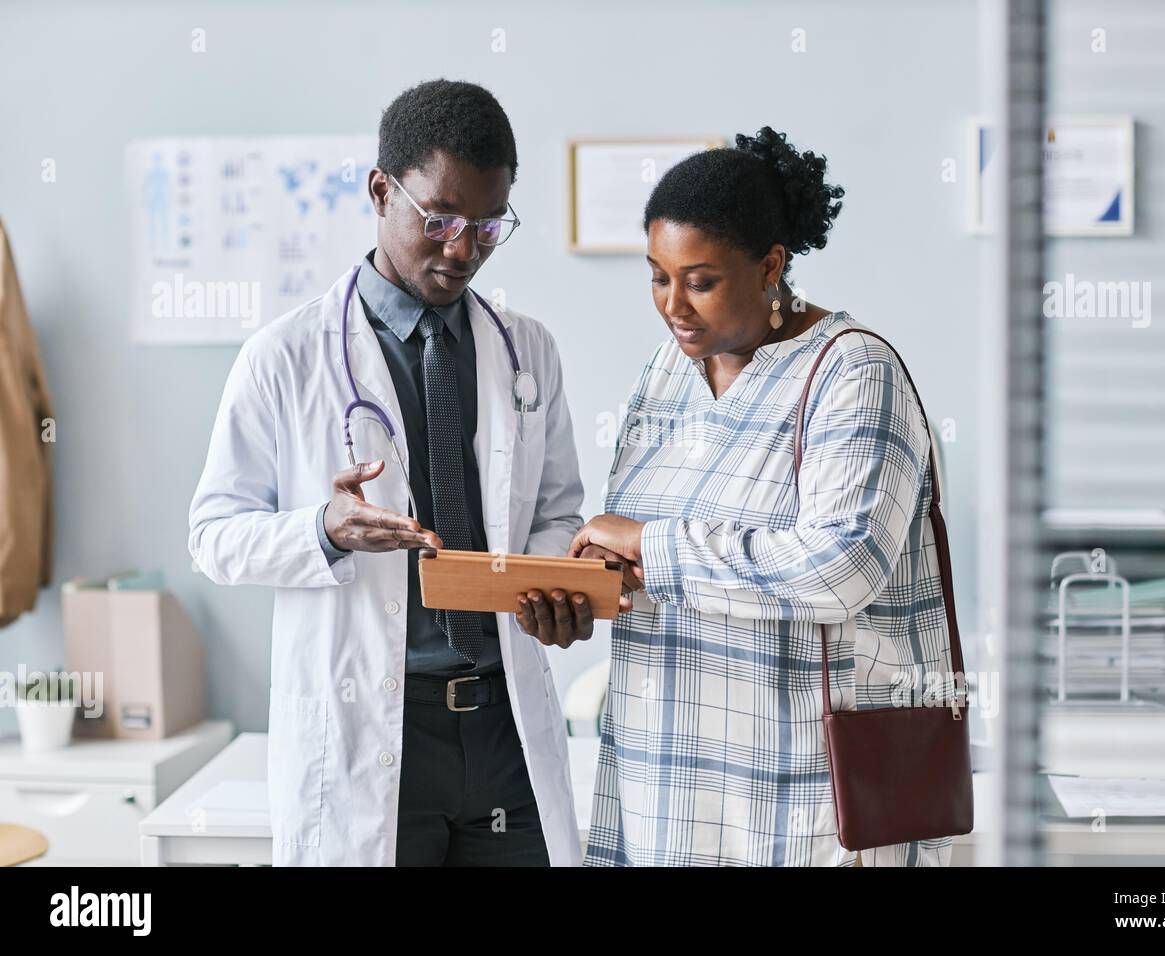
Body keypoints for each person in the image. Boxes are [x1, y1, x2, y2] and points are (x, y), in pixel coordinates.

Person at [188, 79, 596, 866]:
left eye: (487, 226)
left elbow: (556, 511)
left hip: (503, 723)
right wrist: (322, 529)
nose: (462, 249)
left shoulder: (528, 350)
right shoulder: (284, 357)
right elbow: (213, 536)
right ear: (381, 191)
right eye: (440, 219)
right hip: (373, 725)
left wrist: (553, 582)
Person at [563, 127, 958, 866]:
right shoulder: (666, 373)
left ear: (771, 266)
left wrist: (650, 546)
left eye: (700, 280)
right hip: (664, 793)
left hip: (803, 804)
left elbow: (841, 566)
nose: (673, 305)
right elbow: (652, 566)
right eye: (657, 276)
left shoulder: (851, 372)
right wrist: (592, 582)